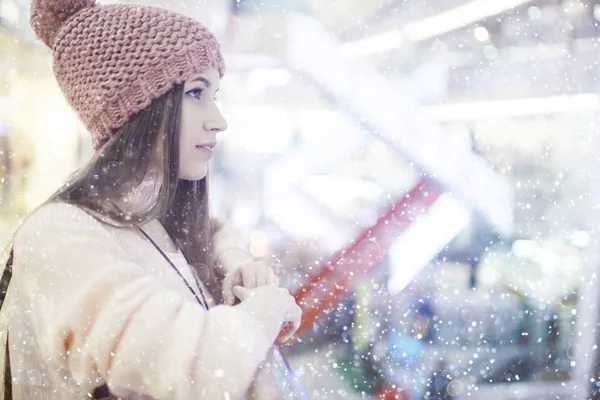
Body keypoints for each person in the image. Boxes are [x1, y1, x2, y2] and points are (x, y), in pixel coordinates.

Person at [1, 0, 302, 398]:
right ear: (137, 108)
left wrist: (238, 263)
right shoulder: (58, 235)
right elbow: (199, 368)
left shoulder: (153, 225)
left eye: (215, 95)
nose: (218, 120)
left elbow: (212, 234)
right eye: (196, 92)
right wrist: (268, 305)